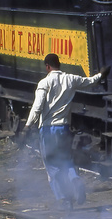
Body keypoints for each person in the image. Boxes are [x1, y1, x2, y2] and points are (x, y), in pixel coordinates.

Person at [25, 54, 106, 207]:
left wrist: (27, 126)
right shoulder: (70, 79)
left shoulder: (44, 83)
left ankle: (64, 199)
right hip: (63, 128)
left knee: (51, 165)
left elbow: (37, 108)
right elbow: (90, 82)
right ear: (59, 64)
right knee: (66, 160)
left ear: (47, 66)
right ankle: (75, 179)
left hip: (48, 130)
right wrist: (101, 74)